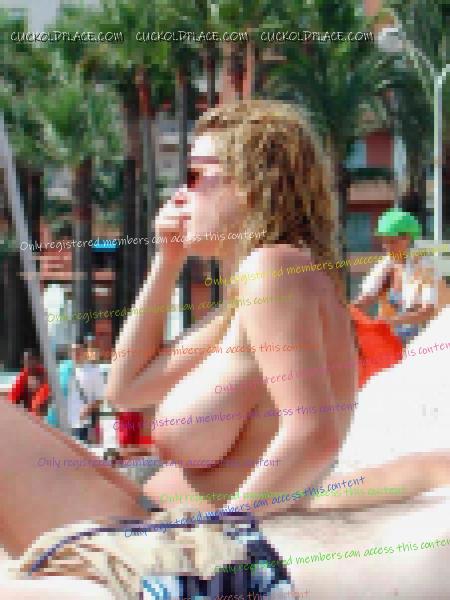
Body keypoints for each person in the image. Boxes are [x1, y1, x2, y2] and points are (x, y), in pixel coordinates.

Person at [1, 101, 450, 599]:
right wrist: (167, 259)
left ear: (253, 184)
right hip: (149, 517)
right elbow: (125, 388)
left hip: (174, 541)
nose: (179, 194)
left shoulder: (274, 269)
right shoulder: (251, 298)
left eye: (195, 176)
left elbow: (314, 432)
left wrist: (226, 535)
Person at [352, 208, 437, 346]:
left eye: (392, 241)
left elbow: (427, 312)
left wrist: (391, 321)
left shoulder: (425, 268)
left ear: (407, 238)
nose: (387, 247)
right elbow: (364, 301)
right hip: (387, 341)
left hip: (418, 344)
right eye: (384, 241)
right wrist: (343, 312)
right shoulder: (384, 268)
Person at [66, 343, 103, 443]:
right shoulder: (67, 371)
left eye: (78, 351)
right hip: (68, 423)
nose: (75, 354)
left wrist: (87, 410)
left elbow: (100, 399)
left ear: (85, 352)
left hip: (85, 423)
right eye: (73, 351)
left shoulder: (94, 371)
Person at [7, 349, 49, 416]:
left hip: (41, 414)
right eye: (26, 361)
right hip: (28, 414)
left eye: (31, 360)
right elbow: (12, 398)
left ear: (37, 361)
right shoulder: (23, 377)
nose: (28, 363)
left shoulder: (45, 376)